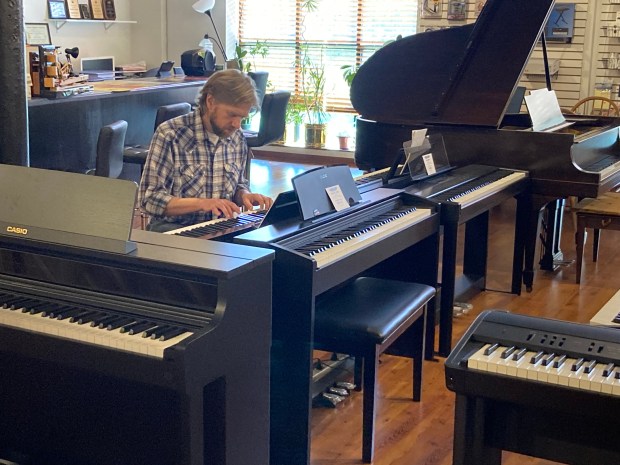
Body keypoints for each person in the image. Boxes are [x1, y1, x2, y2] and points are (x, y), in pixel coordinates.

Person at [139, 69, 273, 232]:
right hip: (174, 229)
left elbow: (238, 184)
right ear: (210, 102)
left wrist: (244, 195)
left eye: (242, 118)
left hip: (220, 227)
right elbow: (149, 200)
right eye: (232, 115)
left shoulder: (236, 138)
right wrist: (203, 204)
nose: (237, 124)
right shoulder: (170, 134)